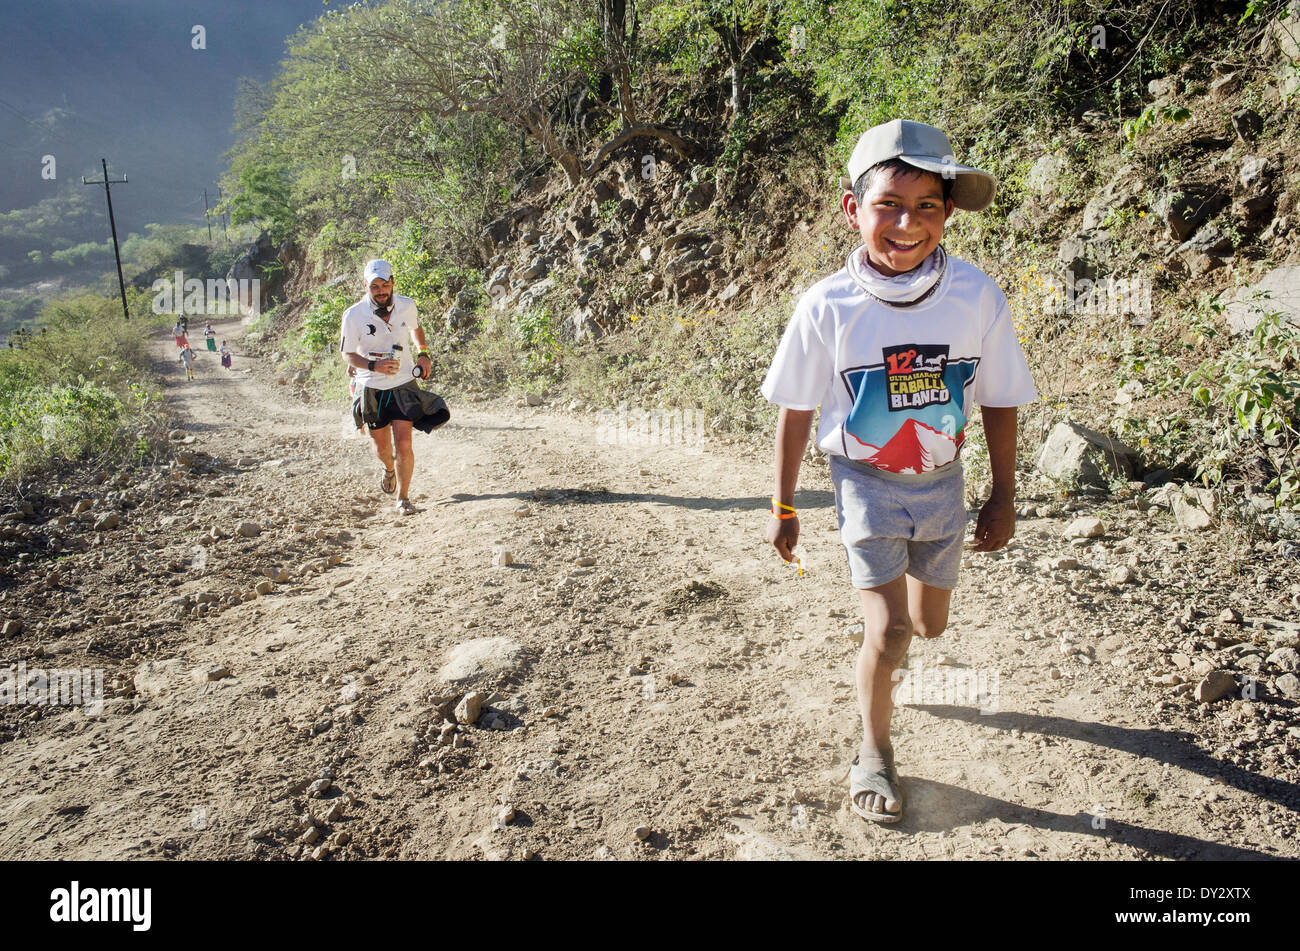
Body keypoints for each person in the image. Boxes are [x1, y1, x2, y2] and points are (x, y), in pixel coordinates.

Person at [760, 120, 1038, 824]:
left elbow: (1001, 398)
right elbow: (796, 409)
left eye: (928, 207)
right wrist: (782, 502)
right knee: (886, 631)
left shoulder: (975, 296)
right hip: (863, 483)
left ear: (947, 214)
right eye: (888, 203)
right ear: (853, 209)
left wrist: (1004, 494)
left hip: (942, 483)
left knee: (927, 624)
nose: (907, 223)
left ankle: (895, 661)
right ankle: (874, 751)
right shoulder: (828, 306)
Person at [338, 259, 450, 514]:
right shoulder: (354, 315)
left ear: (392, 283)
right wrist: (373, 366)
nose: (380, 291)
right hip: (372, 386)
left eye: (385, 285)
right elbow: (347, 354)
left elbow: (416, 327)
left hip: (403, 383)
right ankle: (388, 468)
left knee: (404, 444)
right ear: (366, 286)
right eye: (374, 286)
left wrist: (423, 353)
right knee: (382, 449)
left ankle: (404, 498)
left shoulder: (406, 305)